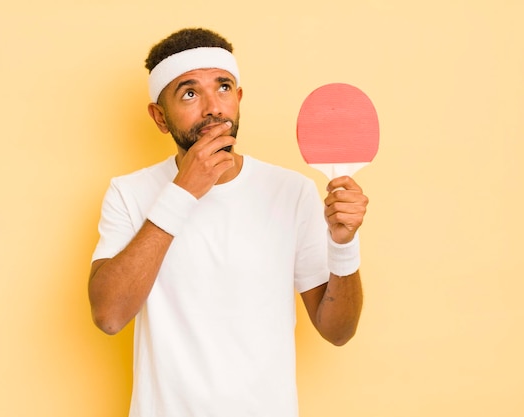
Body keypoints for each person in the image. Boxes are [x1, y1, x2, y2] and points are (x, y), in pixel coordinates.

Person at [88, 28, 369, 417]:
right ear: (160, 117)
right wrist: (182, 192)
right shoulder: (129, 193)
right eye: (189, 93)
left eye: (223, 87)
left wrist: (344, 245)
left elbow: (338, 331)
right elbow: (109, 315)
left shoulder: (292, 191)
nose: (212, 108)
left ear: (238, 98)